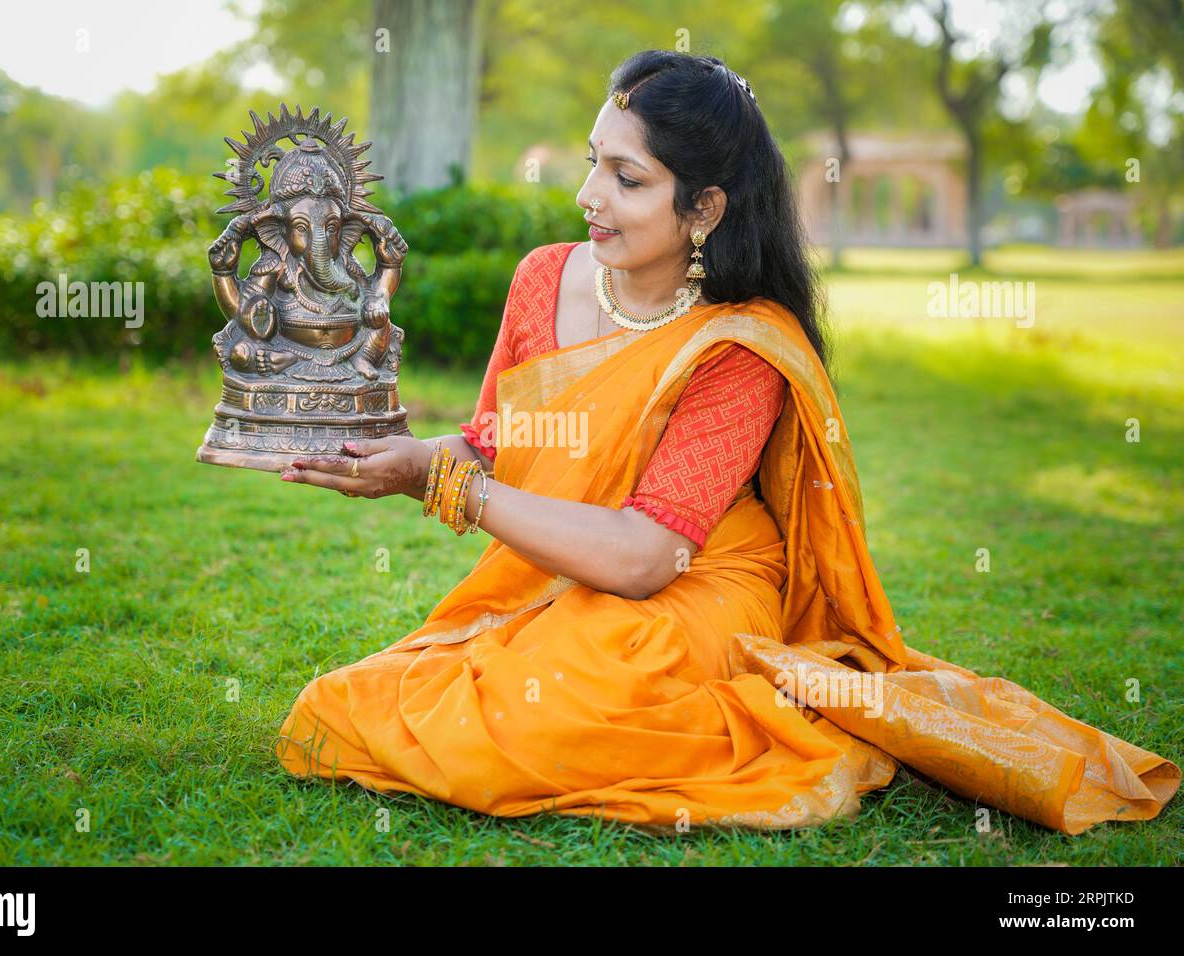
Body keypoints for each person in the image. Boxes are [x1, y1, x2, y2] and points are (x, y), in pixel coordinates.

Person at [272, 50, 1180, 834]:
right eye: (594, 164)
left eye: (628, 180)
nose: (590, 196)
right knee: (347, 705)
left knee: (573, 691)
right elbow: (494, 444)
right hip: (561, 563)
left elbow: (645, 558)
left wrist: (449, 485)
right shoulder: (543, 278)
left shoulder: (741, 340)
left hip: (694, 580)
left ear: (704, 207)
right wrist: (394, 461)